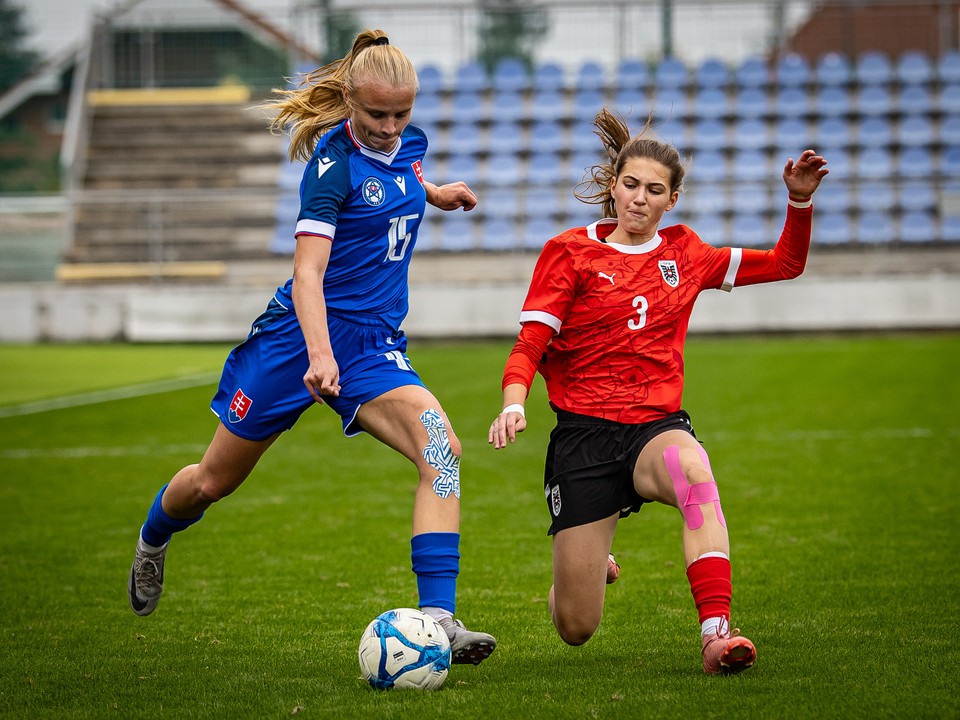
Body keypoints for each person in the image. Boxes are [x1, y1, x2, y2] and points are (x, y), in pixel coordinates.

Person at [127, 29, 496, 666]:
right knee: (212, 481)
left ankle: (438, 620)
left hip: (372, 346)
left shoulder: (408, 145)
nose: (390, 127)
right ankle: (154, 536)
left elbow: (402, 174)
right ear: (350, 101)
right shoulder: (330, 169)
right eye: (377, 115)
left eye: (401, 113)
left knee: (442, 450)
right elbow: (308, 274)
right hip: (297, 340)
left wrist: (434, 193)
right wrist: (320, 355)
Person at [488, 108, 827, 675]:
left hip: (655, 428)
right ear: (613, 186)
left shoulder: (686, 252)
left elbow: (786, 263)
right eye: (630, 185)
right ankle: (586, 566)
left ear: (672, 200)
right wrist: (513, 402)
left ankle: (716, 634)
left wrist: (798, 201)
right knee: (575, 626)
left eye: (653, 190)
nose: (639, 199)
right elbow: (530, 344)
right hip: (584, 439)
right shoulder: (569, 252)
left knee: (696, 476)